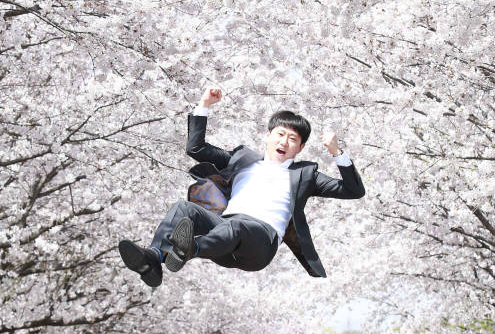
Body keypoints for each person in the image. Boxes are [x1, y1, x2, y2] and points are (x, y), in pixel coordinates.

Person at [117, 85, 365, 287]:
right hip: (222, 236)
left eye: (293, 139)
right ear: (268, 135)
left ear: (300, 148)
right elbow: (196, 148)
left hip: (260, 243)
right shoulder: (242, 159)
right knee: (184, 209)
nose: (284, 141)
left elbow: (353, 191)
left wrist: (336, 151)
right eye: (280, 134)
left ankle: (189, 248)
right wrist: (204, 105)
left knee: (237, 226)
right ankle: (153, 259)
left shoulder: (305, 175)